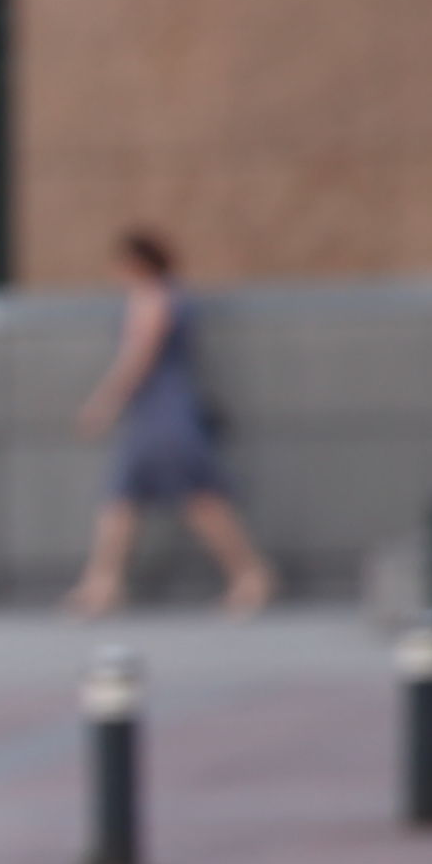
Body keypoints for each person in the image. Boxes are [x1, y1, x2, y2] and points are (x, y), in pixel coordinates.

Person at [67, 225, 277, 616]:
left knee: (197, 497)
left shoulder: (154, 298)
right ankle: (103, 582)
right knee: (123, 498)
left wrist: (104, 404)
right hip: (155, 410)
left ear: (137, 262)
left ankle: (251, 574)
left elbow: (138, 359)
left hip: (163, 411)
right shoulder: (160, 296)